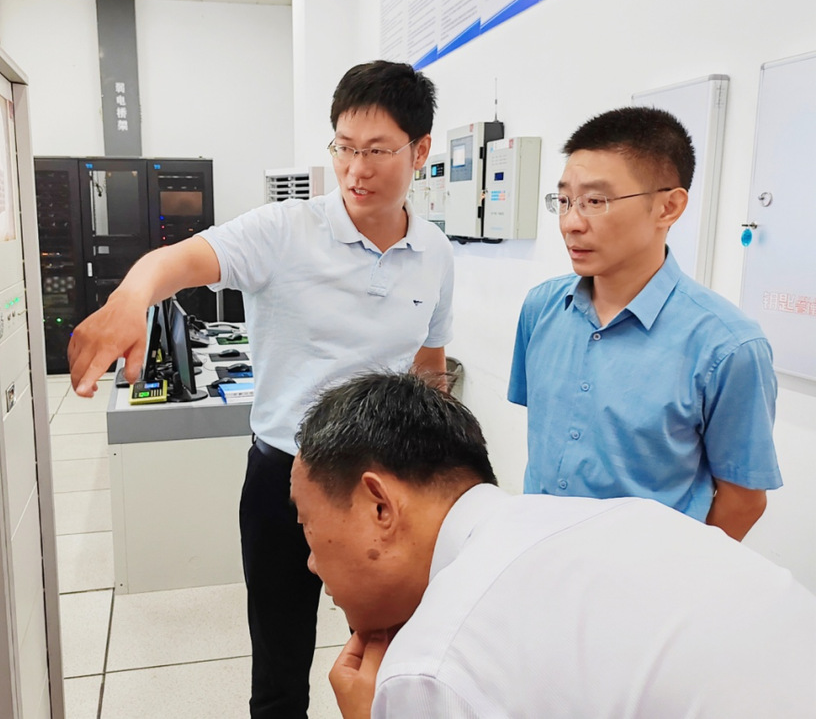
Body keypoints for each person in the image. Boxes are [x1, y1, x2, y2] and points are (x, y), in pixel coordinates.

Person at [67, 61, 454, 717]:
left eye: (377, 151)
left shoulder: (436, 253)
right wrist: (131, 297)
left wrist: (441, 478)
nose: (355, 170)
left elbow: (429, 365)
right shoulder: (283, 231)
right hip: (287, 479)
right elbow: (178, 261)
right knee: (280, 667)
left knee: (397, 655)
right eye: (344, 148)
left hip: (385, 484)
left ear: (420, 151)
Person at [289, 372, 816, 719]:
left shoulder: (431, 665)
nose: (312, 564)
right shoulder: (620, 514)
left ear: (380, 506)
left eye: (308, 527)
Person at [508, 107, 781, 540]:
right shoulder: (542, 308)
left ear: (668, 207)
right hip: (535, 549)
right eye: (564, 201)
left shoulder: (728, 347)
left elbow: (744, 500)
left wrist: (670, 569)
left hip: (642, 573)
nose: (571, 223)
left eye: (595, 201)